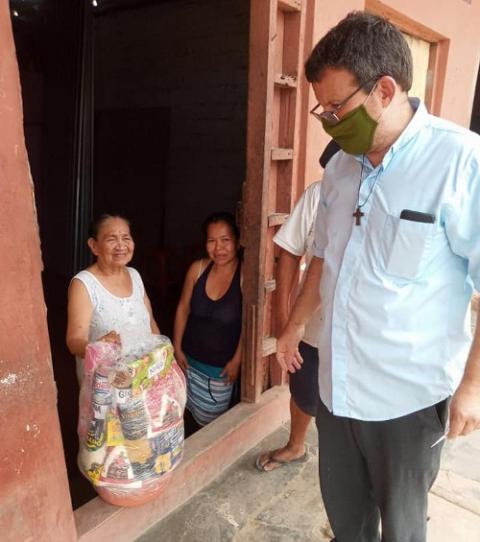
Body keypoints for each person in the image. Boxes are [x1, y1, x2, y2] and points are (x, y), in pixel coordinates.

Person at [277, 11, 480, 542]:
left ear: (385, 89)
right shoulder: (341, 166)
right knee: (348, 522)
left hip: (408, 401)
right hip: (336, 388)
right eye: (321, 108)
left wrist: (473, 387)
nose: (327, 120)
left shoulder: (461, 161)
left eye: (336, 106)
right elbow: (322, 253)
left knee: (404, 530)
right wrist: (294, 325)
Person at [255, 141, 339, 472]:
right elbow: (289, 252)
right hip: (312, 327)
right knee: (303, 392)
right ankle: (296, 445)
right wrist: (284, 320)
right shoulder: (318, 196)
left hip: (363, 336)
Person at [66, 214, 159, 383]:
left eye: (126, 238)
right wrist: (97, 348)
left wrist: (161, 357)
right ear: (94, 246)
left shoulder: (134, 275)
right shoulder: (84, 284)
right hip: (105, 387)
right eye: (111, 239)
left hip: (142, 379)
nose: (121, 245)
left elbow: (150, 322)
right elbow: (74, 340)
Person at [174, 212, 242, 429]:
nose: (218, 248)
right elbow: (183, 308)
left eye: (225, 240)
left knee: (210, 426)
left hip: (219, 370)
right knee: (180, 417)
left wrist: (237, 361)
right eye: (212, 241)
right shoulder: (198, 269)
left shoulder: (245, 276)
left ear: (238, 242)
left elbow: (250, 325)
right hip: (187, 363)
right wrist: (176, 347)